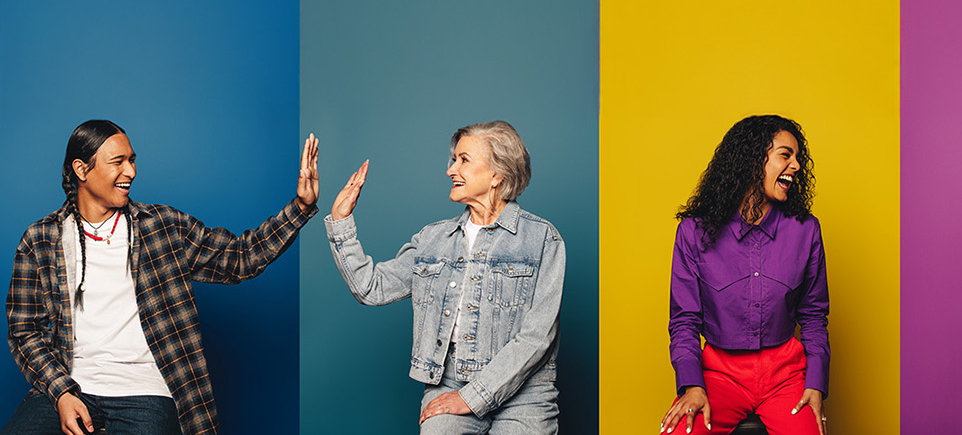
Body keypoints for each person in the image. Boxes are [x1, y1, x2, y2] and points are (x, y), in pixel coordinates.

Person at [4, 120, 320, 435]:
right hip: (71, 387)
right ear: (81, 169)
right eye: (118, 162)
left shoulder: (163, 226)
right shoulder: (41, 239)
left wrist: (300, 208)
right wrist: (61, 392)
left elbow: (239, 258)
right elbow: (24, 330)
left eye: (132, 160)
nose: (130, 171)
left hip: (144, 391)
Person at [324, 121, 564, 434]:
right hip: (449, 382)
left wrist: (473, 397)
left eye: (464, 160)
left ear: (497, 174)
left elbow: (537, 337)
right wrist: (341, 221)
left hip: (526, 394)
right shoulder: (432, 239)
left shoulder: (542, 239)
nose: (451, 170)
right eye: (454, 160)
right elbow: (371, 288)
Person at [660, 115, 829, 435]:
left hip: (786, 377)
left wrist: (816, 383)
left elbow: (814, 316)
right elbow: (684, 320)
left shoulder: (806, 230)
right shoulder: (693, 232)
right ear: (752, 160)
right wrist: (691, 385)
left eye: (797, 158)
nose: (796, 166)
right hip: (718, 376)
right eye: (785, 155)